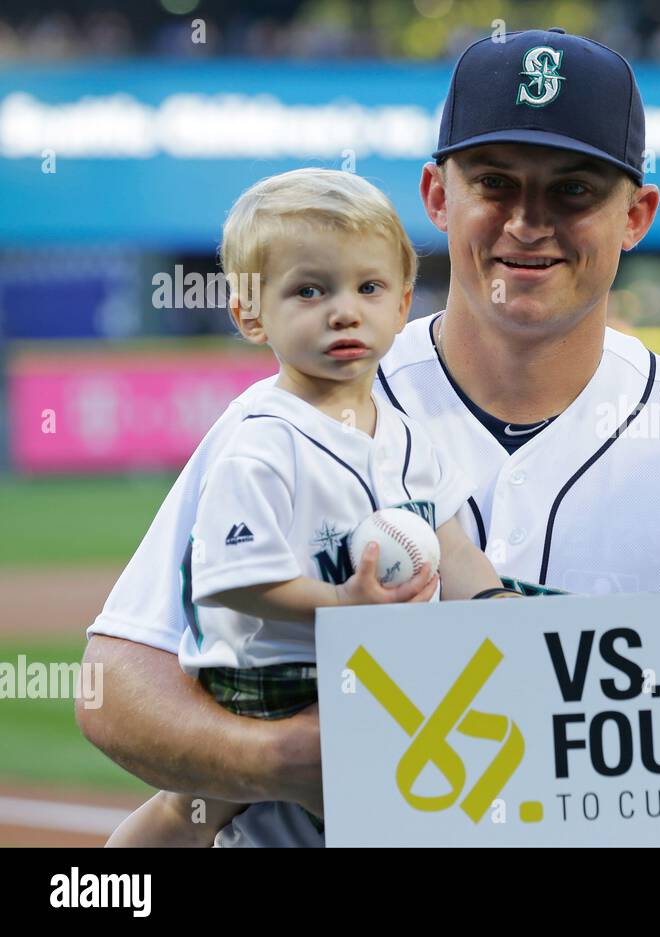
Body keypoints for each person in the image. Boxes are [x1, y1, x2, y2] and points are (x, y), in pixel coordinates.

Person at [78, 28, 660, 846]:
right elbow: (116, 680)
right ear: (435, 195)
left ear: (637, 215)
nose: (528, 222)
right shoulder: (296, 411)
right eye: (494, 182)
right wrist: (276, 756)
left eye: (573, 190)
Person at [105, 168, 508, 846]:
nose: (343, 310)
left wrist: (497, 607)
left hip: (353, 657)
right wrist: (345, 606)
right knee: (211, 803)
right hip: (270, 672)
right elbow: (238, 580)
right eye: (309, 290)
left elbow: (452, 542)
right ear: (249, 313)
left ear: (404, 301)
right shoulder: (261, 439)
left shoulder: (405, 432)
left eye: (368, 287)